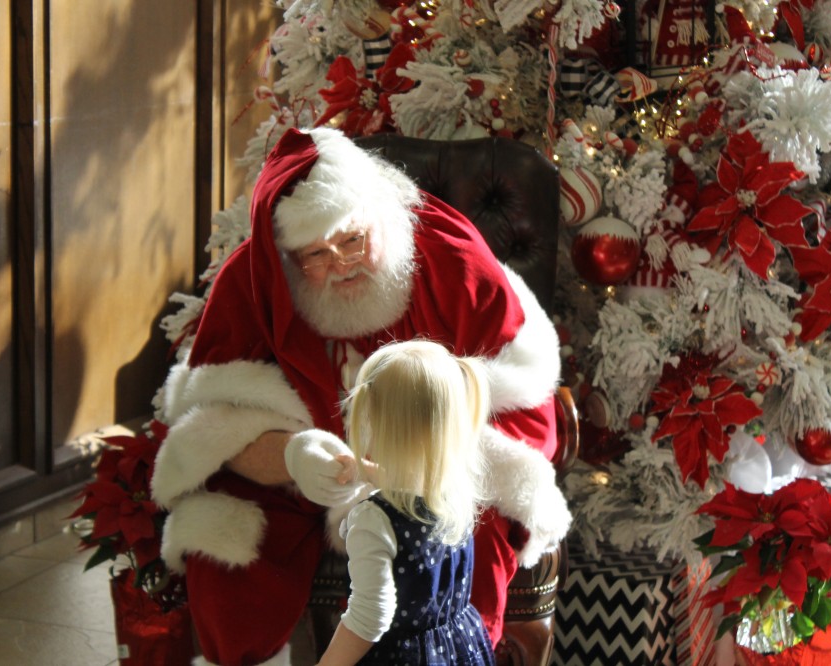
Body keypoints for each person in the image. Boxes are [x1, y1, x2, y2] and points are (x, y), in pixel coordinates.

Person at [150, 126, 571, 666]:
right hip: (302, 484)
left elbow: (522, 411)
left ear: (378, 215)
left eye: (352, 241)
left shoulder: (449, 257)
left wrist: (422, 461)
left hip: (434, 469)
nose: (341, 264)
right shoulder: (254, 280)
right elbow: (210, 426)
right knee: (224, 545)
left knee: (475, 528)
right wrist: (290, 455)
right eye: (316, 256)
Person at [317, 339, 496, 666]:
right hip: (457, 649)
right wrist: (366, 471)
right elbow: (410, 483)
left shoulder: (372, 520)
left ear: (370, 419)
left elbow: (369, 616)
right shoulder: (453, 488)